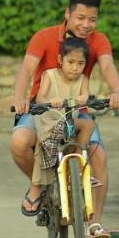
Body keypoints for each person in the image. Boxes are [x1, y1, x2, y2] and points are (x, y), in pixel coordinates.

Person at [10, 0, 119, 238]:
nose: (87, 25)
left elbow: (107, 65)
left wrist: (118, 90)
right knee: (19, 143)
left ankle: (94, 224)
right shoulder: (44, 37)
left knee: (99, 154)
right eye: (81, 18)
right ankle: (42, 185)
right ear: (68, 14)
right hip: (42, 110)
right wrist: (20, 98)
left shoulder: (99, 40)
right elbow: (27, 69)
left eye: (93, 19)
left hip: (77, 110)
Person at [31, 37, 95, 191]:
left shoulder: (83, 79)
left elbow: (85, 96)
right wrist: (51, 100)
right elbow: (40, 98)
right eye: (71, 62)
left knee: (88, 124)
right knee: (48, 141)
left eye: (80, 64)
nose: (75, 68)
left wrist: (82, 99)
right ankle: (42, 185)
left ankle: (79, 163)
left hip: (69, 121)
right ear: (60, 59)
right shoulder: (50, 75)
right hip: (51, 121)